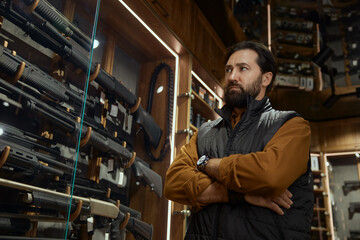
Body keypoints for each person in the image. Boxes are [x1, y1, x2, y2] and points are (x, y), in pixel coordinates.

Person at [164, 41, 314, 239]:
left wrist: (206, 164)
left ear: (266, 78)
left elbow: (269, 176)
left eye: (243, 68)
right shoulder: (206, 132)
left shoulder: (291, 126)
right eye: (228, 70)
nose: (232, 77)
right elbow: (173, 183)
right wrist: (239, 194)